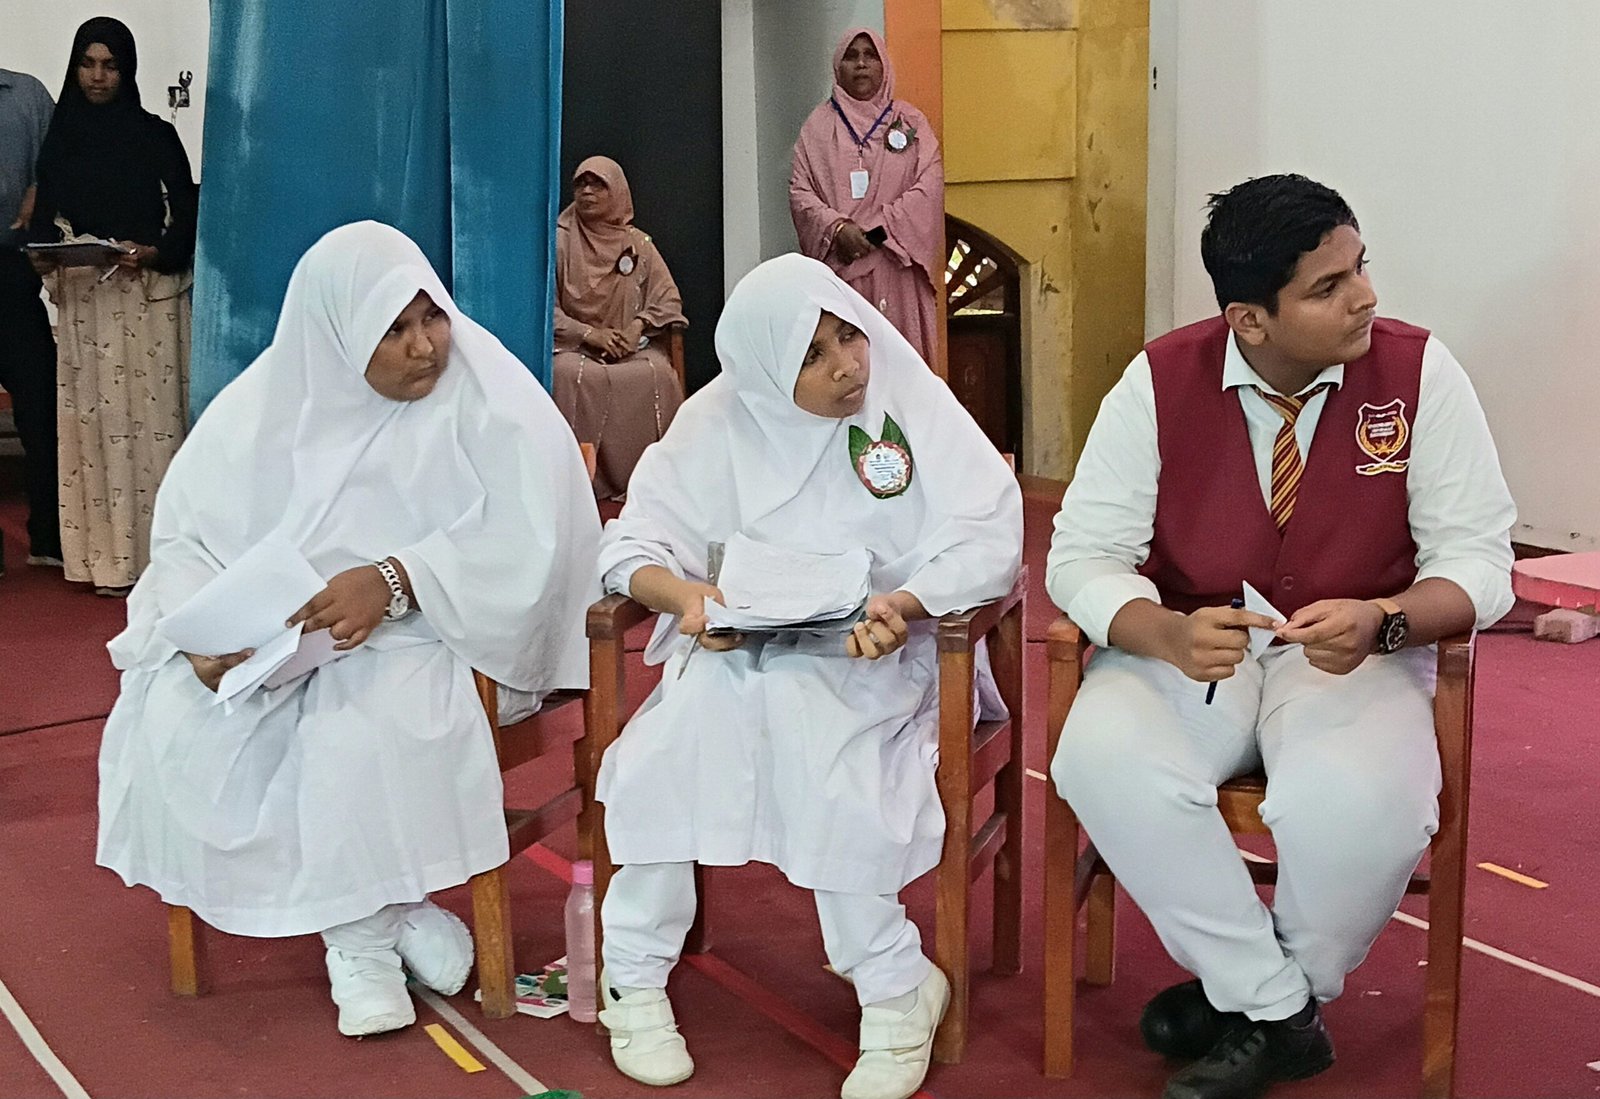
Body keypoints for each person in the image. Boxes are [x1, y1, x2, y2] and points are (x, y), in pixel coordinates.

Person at [1046, 174, 1515, 1099]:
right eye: (1328, 286)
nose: (1365, 296)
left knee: (1360, 803)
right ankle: (1274, 1008)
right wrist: (1163, 632)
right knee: (1100, 757)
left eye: (1361, 267)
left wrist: (1387, 619)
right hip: (1199, 643)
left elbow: (1480, 560)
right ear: (1249, 320)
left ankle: (1253, 1002)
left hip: (1355, 651)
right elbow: (1083, 553)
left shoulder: (1423, 373)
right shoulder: (1158, 380)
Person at [95, 222, 601, 1037]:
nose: (424, 346)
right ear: (335, 336)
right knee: (179, 715)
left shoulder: (489, 399)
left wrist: (397, 579)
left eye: (430, 318)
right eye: (392, 331)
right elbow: (185, 541)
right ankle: (395, 917)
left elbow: (534, 542)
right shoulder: (261, 406)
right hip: (285, 643)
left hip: (442, 633)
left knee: (356, 715)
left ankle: (359, 951)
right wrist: (202, 637)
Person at [593, 254, 1021, 1099]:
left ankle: (895, 985)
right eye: (814, 356)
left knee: (817, 735)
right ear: (763, 372)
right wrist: (683, 597)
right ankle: (631, 976)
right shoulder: (717, 420)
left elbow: (991, 531)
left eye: (848, 336)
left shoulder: (907, 397)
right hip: (740, 645)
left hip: (882, 650)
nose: (849, 365)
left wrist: (906, 601)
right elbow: (630, 541)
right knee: (676, 738)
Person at [27, 17, 198, 595]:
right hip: (87, 306)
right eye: (88, 64)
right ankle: (105, 561)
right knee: (95, 432)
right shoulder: (61, 140)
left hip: (147, 304)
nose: (98, 77)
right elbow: (46, 221)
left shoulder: (155, 136)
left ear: (127, 72)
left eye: (110, 66)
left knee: (152, 433)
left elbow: (188, 220)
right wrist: (43, 256)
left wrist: (153, 253)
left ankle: (163, 562)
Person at [790, 27, 944, 364]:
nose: (861, 63)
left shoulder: (910, 123)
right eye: (851, 56)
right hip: (843, 273)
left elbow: (929, 188)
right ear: (838, 66)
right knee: (849, 369)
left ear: (883, 64)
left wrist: (878, 232)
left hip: (897, 270)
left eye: (870, 55)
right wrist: (838, 230)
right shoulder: (817, 128)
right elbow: (801, 193)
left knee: (901, 368)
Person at [552, 156, 687, 500]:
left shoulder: (639, 245)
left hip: (628, 348)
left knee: (658, 373)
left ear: (618, 191)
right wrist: (590, 334)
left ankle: (650, 482)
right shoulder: (559, 242)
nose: (587, 191)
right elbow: (544, 311)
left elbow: (669, 300)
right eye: (581, 183)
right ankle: (578, 483)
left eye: (598, 184)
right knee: (567, 374)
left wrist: (637, 327)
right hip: (575, 347)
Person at [0, 65, 59, 576]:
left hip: (13, 271)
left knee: (41, 408)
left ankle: (49, 536)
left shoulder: (28, 95)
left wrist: (41, 187)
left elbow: (64, 162)